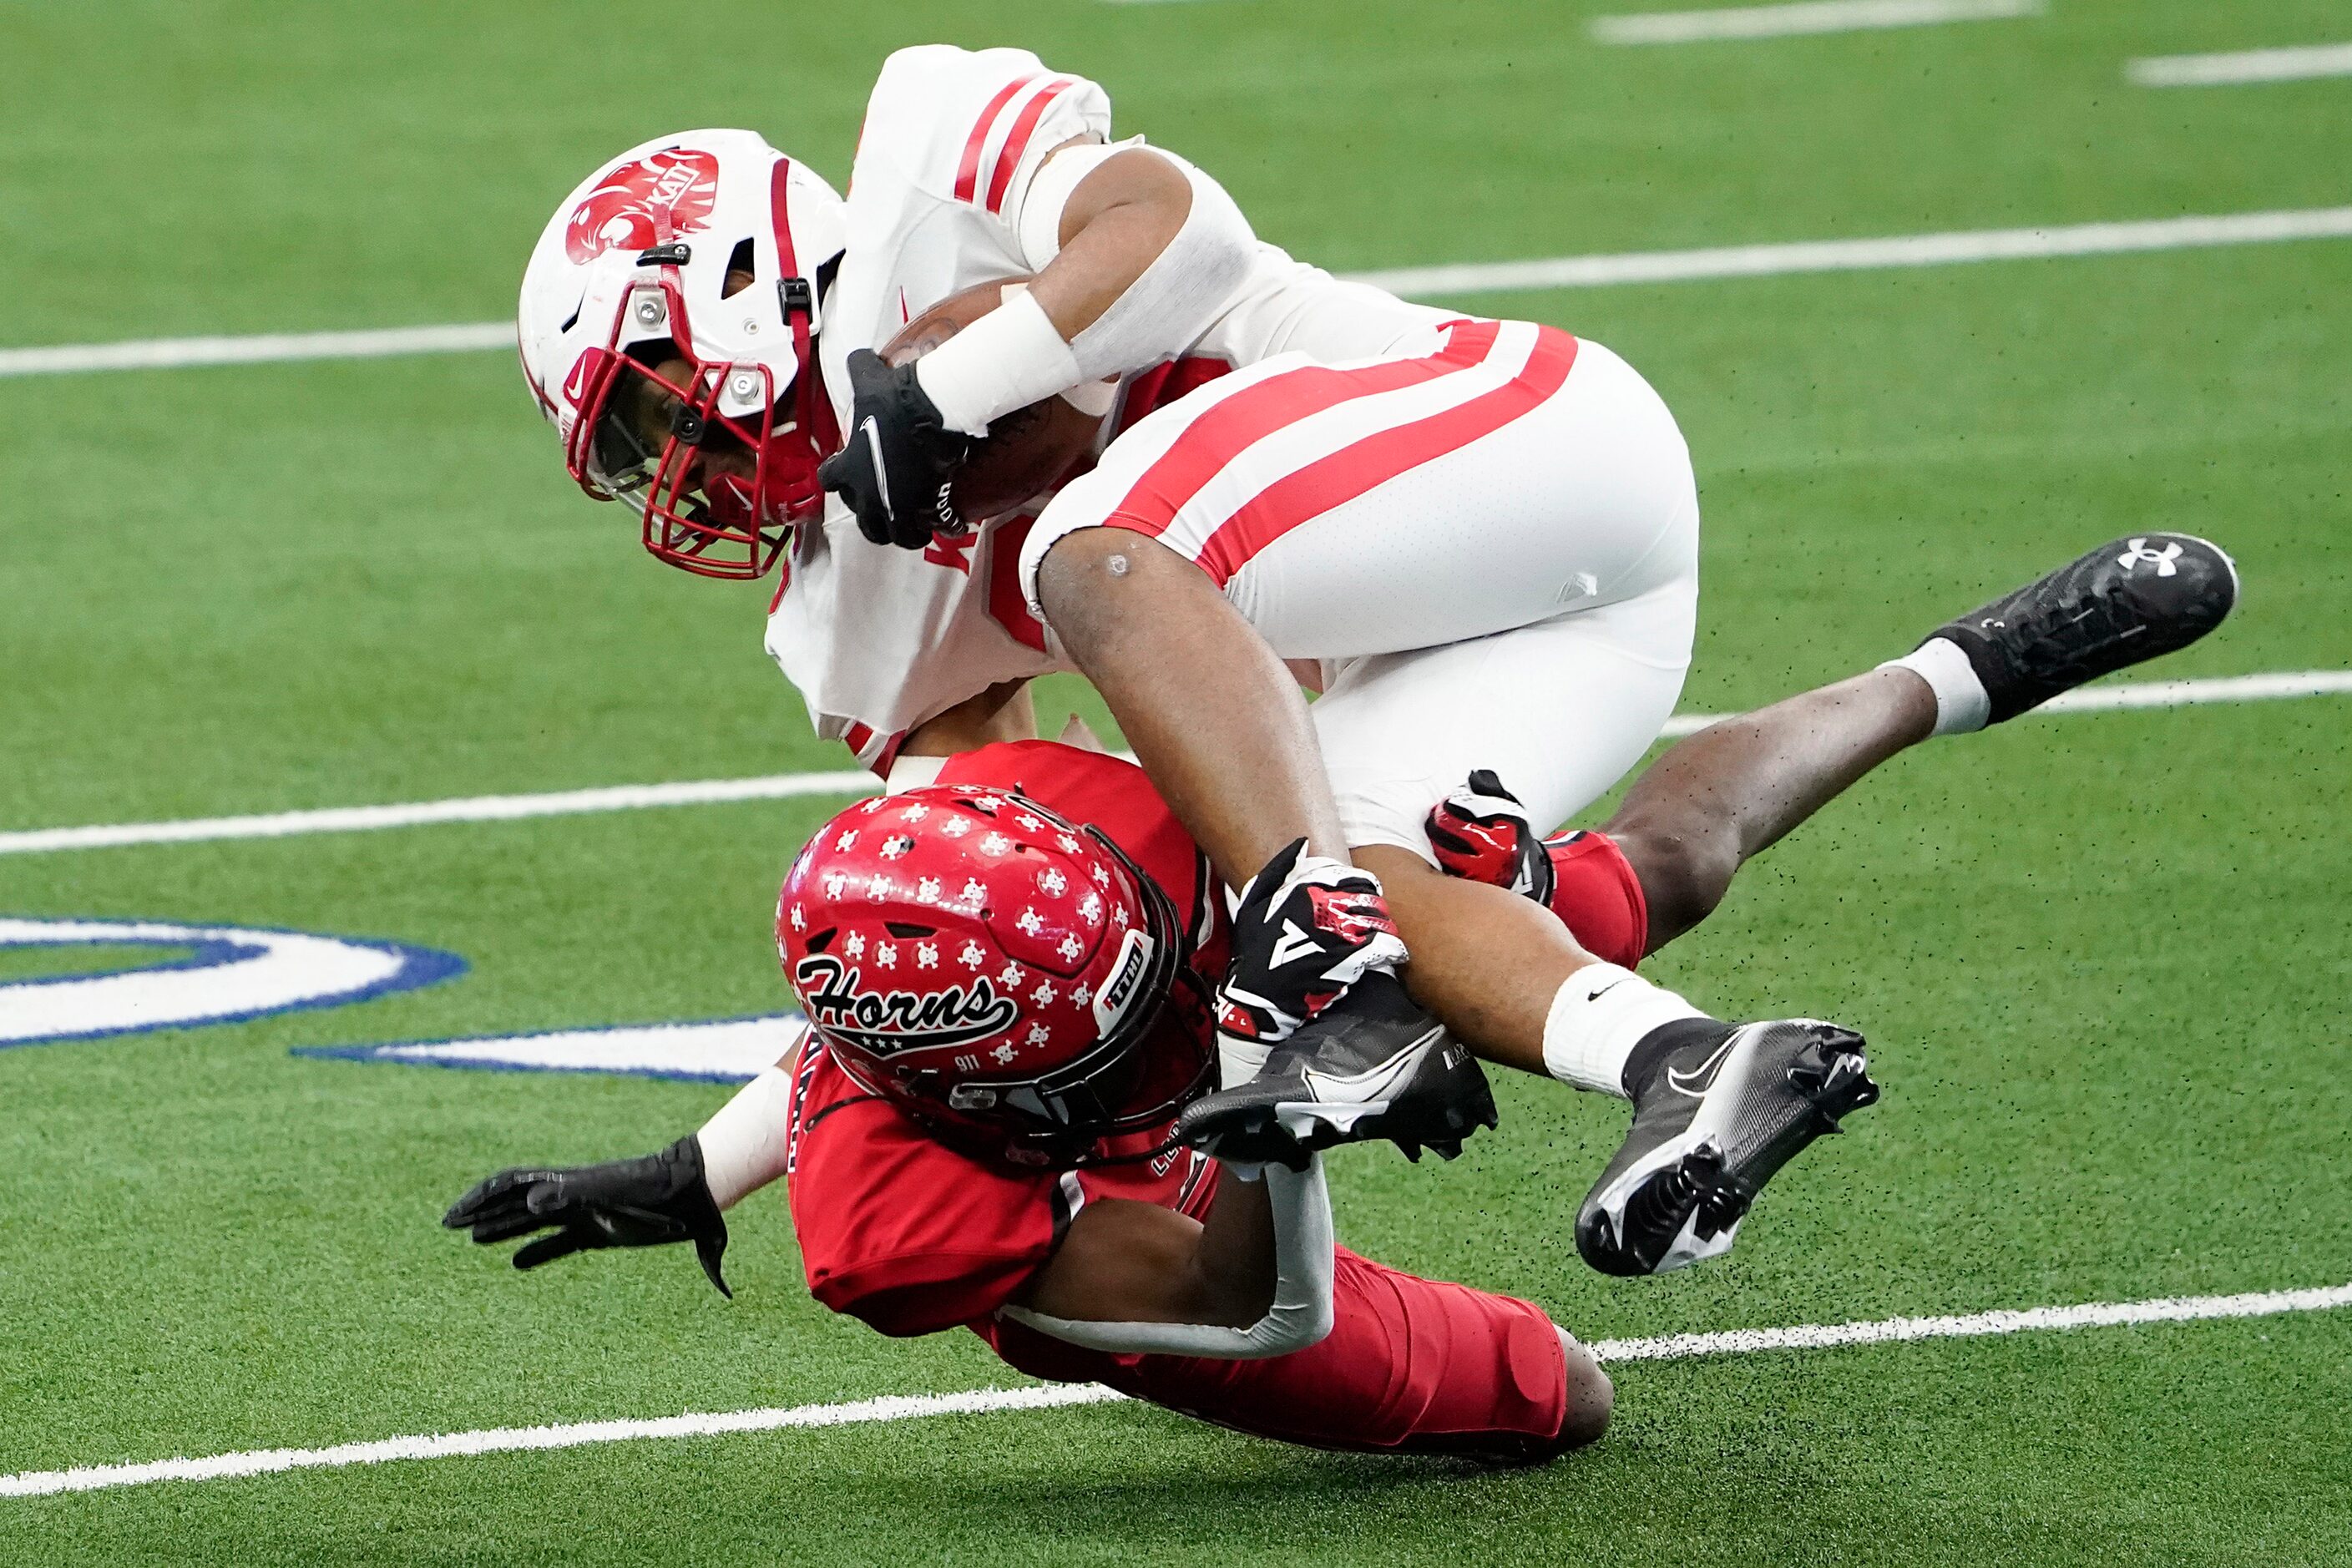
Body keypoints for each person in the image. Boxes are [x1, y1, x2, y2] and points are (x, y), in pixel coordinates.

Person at [510, 46, 2238, 1262]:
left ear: (731, 282)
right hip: (1580, 613)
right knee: (1450, 879)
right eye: (634, 457)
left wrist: (947, 389)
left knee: (1092, 556)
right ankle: (1699, 1036)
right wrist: (708, 1162)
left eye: (657, 414)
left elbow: (1170, 232)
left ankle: (1317, 956)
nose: (679, 478)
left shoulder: (923, 168)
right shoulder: (845, 598)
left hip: (1526, 435)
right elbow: (947, 905)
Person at [446, 531, 2243, 1449]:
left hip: (1226, 982)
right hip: (1146, 1228)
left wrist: (1310, 976)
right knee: (1556, 1397)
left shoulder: (1048, 829)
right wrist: (1279, 1109)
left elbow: (927, 983)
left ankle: (1954, 668)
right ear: (1001, 1089)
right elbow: (1245, 1303)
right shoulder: (894, 1215)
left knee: (1614, 889)